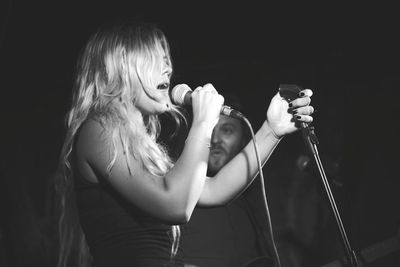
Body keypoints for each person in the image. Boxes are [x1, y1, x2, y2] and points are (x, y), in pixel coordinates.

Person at [55, 20, 314, 267]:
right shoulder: (98, 128)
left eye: (167, 60)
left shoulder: (141, 145)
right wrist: (202, 122)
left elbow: (214, 190)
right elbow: (175, 205)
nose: (168, 69)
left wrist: (271, 131)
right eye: (155, 60)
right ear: (121, 68)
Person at [181, 94, 275, 267]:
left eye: (227, 130)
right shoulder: (181, 190)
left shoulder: (252, 205)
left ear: (243, 139)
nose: (215, 140)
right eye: (210, 131)